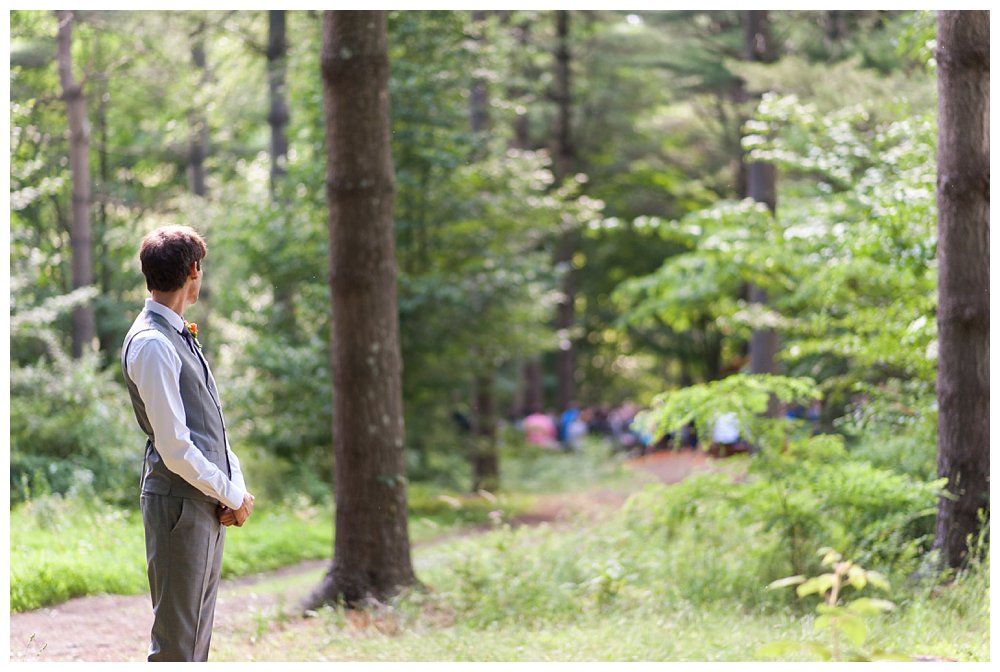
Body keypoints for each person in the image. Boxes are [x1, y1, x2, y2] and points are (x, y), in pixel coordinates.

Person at [121, 225, 254, 661]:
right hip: (179, 506)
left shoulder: (177, 334)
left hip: (202, 503)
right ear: (194, 270)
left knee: (196, 639)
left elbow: (210, 422)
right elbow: (176, 447)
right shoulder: (154, 344)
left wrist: (234, 488)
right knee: (177, 645)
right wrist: (231, 493)